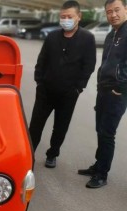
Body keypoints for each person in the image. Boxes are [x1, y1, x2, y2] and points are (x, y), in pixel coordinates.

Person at [29, 0, 96, 168]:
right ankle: (28, 155)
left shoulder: (87, 38)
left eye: (69, 16)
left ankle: (52, 154)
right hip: (45, 91)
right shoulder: (52, 36)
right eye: (63, 17)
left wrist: (78, 88)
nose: (66, 20)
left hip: (68, 93)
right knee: (35, 125)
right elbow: (42, 60)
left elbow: (89, 65)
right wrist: (39, 81)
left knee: (60, 127)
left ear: (79, 17)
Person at [78, 0, 127, 188]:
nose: (113, 15)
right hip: (104, 90)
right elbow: (106, 63)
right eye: (109, 12)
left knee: (107, 133)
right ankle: (98, 165)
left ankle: (101, 175)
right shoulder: (111, 35)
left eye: (117, 10)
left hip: (117, 92)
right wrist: (100, 86)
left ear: (126, 9)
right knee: (100, 129)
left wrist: (121, 88)